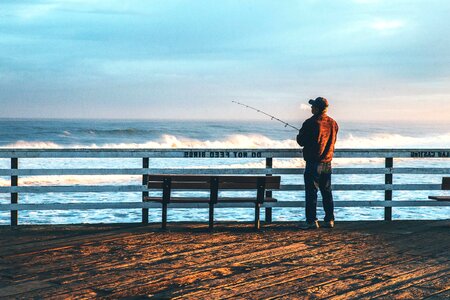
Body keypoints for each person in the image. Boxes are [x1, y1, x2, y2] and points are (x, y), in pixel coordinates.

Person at [297, 97, 339, 229]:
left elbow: (301, 141)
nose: (311, 108)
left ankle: (311, 221)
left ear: (317, 108)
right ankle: (329, 219)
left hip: (313, 163)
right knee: (327, 192)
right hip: (327, 163)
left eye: (313, 106)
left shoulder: (310, 122)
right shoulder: (333, 123)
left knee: (311, 193)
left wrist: (300, 135)